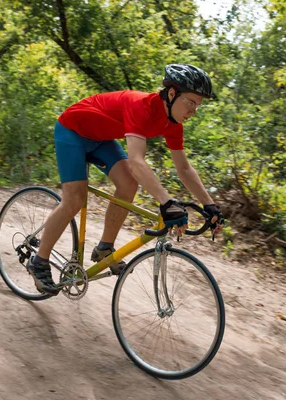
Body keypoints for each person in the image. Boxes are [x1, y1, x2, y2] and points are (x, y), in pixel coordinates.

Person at [26, 64, 225, 295]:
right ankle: (39, 260)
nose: (194, 111)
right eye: (191, 103)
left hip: (101, 138)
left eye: (198, 106)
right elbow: (137, 161)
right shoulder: (140, 106)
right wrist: (167, 202)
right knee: (75, 199)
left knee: (129, 183)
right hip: (72, 131)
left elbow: (184, 168)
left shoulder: (173, 124)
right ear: (172, 94)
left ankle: (104, 249)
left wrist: (209, 204)